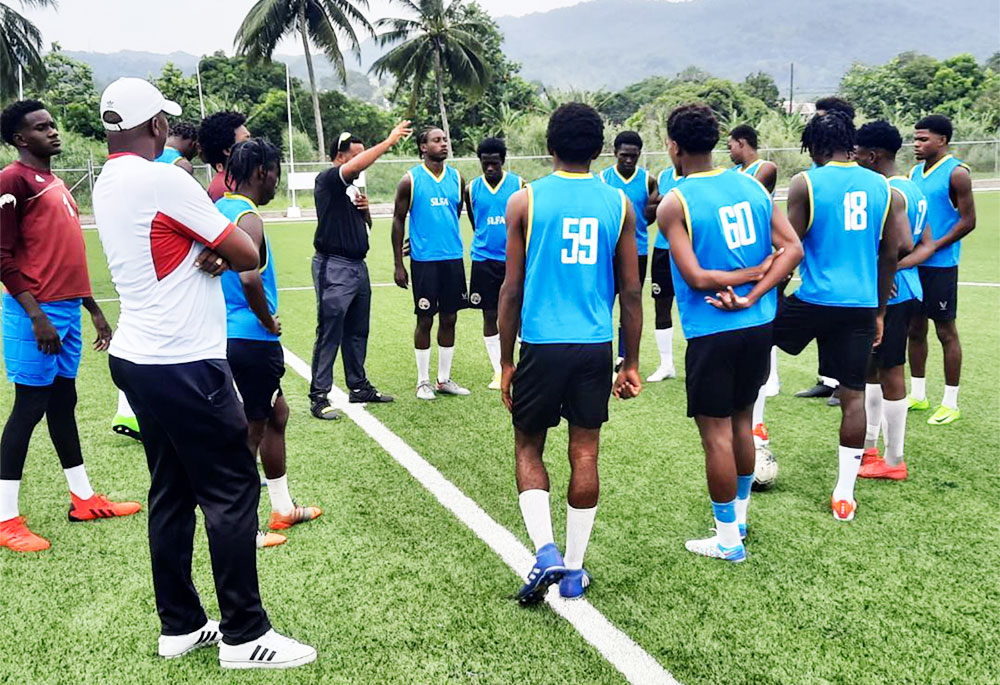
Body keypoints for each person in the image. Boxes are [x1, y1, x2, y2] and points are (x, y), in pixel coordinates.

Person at [92, 78, 314, 668]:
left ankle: (181, 626)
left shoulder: (108, 180)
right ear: (158, 126)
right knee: (232, 489)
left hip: (137, 357)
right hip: (183, 359)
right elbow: (247, 254)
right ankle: (245, 634)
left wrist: (208, 246)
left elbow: (212, 246)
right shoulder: (165, 178)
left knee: (171, 491)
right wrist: (216, 247)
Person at [498, 102, 642, 603]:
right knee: (585, 452)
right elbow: (630, 290)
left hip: (541, 344)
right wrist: (632, 361)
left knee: (528, 448)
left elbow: (511, 289)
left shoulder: (525, 200)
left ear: (550, 146)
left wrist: (506, 362)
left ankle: (545, 552)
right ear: (599, 149)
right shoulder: (619, 204)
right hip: (594, 347)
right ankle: (575, 572)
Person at [658, 103, 801, 561]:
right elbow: (792, 249)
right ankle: (739, 519)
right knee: (742, 423)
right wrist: (757, 287)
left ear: (673, 146)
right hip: (758, 325)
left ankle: (726, 540)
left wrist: (744, 283)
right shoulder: (751, 186)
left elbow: (698, 278)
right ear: (718, 141)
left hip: (712, 332)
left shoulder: (674, 202)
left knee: (716, 435)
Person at [0, 100, 141, 553]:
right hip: (34, 313)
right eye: (41, 128)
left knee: (64, 401)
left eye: (52, 125)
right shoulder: (12, 181)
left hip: (65, 310)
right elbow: (2, 256)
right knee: (29, 407)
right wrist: (37, 316)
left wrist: (92, 308)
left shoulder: (57, 183)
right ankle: (5, 520)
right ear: (21, 140)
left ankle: (83, 498)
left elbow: (63, 254)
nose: (53, 132)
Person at [772, 111, 909, 522]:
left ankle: (757, 429)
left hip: (815, 299)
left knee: (758, 336)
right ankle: (844, 495)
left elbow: (788, 248)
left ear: (813, 147)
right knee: (852, 397)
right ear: (850, 143)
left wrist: (770, 295)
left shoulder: (805, 182)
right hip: (861, 306)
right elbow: (893, 251)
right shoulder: (884, 188)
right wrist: (880, 310)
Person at [218, 138, 321, 538]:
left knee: (276, 414)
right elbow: (248, 277)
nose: (277, 180)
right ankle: (243, 529)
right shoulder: (249, 217)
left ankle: (282, 508)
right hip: (251, 339)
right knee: (251, 431)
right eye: (275, 171)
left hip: (226, 335)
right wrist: (268, 321)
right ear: (262, 172)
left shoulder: (220, 207)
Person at [310, 123, 412, 419]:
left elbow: (364, 226)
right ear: (340, 158)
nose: (361, 161)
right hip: (334, 266)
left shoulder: (351, 189)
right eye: (355, 156)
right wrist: (389, 140)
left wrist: (366, 213)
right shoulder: (328, 179)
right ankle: (319, 396)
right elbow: (356, 166)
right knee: (330, 330)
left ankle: (358, 386)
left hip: (357, 266)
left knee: (357, 331)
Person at [855, 121, 936, 480]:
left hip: (894, 293)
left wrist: (885, 271)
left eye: (857, 153)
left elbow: (900, 244)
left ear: (872, 156)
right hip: (907, 285)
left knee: (890, 370)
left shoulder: (889, 192)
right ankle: (870, 446)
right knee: (872, 369)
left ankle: (893, 460)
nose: (853, 159)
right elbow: (926, 243)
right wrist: (900, 266)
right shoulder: (912, 188)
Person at [113, 124, 202, 442]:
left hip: (133, 257)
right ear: (191, 141)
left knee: (134, 330)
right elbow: (194, 219)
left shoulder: (142, 160)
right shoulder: (180, 166)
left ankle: (128, 410)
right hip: (168, 260)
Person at [391, 127, 471, 400]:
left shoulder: (457, 178)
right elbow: (398, 219)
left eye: (445, 139)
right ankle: (422, 381)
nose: (444, 144)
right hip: (424, 262)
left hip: (452, 258)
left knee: (450, 317)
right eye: (437, 140)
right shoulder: (410, 180)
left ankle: (443, 379)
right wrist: (398, 264)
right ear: (423, 147)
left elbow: (453, 213)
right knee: (425, 319)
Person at [906, 114, 976, 425]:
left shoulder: (957, 173)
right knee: (914, 329)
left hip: (941, 266)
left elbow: (968, 220)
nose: (916, 144)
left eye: (923, 139)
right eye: (915, 138)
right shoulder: (914, 172)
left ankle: (950, 402)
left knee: (946, 331)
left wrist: (934, 245)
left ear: (942, 141)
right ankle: (918, 395)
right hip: (915, 264)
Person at [795, 96, 859, 405]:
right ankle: (829, 379)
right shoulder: (815, 169)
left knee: (762, 332)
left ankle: (841, 384)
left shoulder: (854, 169)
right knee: (829, 326)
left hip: (835, 277)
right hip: (821, 270)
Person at [728, 124, 781, 452]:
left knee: (767, 317)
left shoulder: (766, 168)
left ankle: (771, 377)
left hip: (764, 252)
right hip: (743, 251)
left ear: (742, 143)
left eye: (731, 144)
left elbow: (745, 195)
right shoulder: (735, 172)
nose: (729, 151)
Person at [465, 137, 523, 389]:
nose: (490, 169)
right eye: (485, 164)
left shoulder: (519, 185)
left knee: (518, 314)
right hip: (483, 260)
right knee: (489, 315)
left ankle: (521, 365)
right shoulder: (471, 188)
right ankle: (498, 369)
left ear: (503, 161)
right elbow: (474, 220)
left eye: (495, 164)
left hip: (513, 260)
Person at [599, 131, 658, 371]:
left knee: (629, 302)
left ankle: (623, 356)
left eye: (633, 156)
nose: (628, 160)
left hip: (637, 252)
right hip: (607, 252)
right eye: (624, 155)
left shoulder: (648, 180)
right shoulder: (602, 179)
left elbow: (650, 214)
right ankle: (600, 351)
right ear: (615, 153)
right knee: (603, 302)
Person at [646, 163, 682, 382]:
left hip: (691, 248)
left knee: (699, 304)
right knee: (662, 304)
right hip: (662, 249)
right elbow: (653, 206)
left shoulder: (696, 174)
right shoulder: (664, 174)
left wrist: (664, 200)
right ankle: (666, 364)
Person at [199, 111, 251, 202]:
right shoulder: (225, 190)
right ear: (227, 150)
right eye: (246, 141)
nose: (254, 145)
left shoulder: (232, 183)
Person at [728, 124, 778, 193]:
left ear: (740, 143)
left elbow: (749, 193)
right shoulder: (733, 171)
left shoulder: (765, 167)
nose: (729, 152)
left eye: (730, 147)